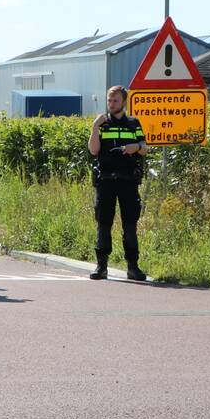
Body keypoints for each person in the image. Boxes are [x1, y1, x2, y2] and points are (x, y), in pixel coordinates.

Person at [87, 85, 148, 281]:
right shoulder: (102, 123)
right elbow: (93, 150)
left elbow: (144, 148)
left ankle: (133, 267)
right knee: (103, 223)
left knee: (130, 224)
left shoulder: (133, 123)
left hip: (128, 181)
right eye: (109, 100)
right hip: (106, 181)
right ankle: (101, 266)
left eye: (115, 101)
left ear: (123, 102)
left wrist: (135, 147)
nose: (111, 104)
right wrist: (95, 126)